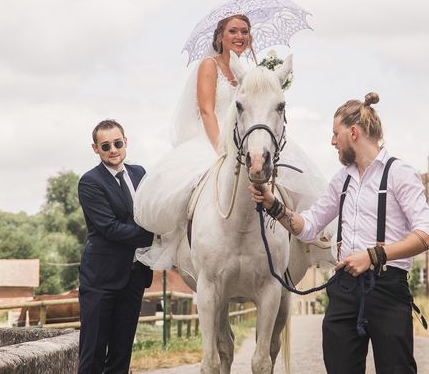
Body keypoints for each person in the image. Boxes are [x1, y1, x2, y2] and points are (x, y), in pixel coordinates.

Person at [250, 93, 429, 374]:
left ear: (353, 132)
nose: (332, 141)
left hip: (387, 289)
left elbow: (428, 233)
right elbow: (309, 226)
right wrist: (273, 205)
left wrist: (374, 255)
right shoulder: (341, 180)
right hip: (344, 290)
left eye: (335, 133)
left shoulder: (399, 173)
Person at [134, 14, 327, 269]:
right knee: (186, 191)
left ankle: (304, 245)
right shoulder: (209, 65)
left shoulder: (251, 71)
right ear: (220, 36)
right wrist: (221, 148)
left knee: (294, 179)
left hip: (252, 136)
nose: (239, 37)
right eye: (233, 31)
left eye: (245, 32)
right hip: (216, 138)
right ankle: (182, 242)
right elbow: (206, 111)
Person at [77, 119, 154, 374]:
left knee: (121, 355)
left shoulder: (140, 174)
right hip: (101, 280)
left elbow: (153, 211)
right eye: (106, 145)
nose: (113, 149)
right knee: (93, 355)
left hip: (134, 278)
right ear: (95, 149)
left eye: (117, 143)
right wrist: (154, 236)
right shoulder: (90, 182)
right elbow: (109, 228)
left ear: (126, 142)